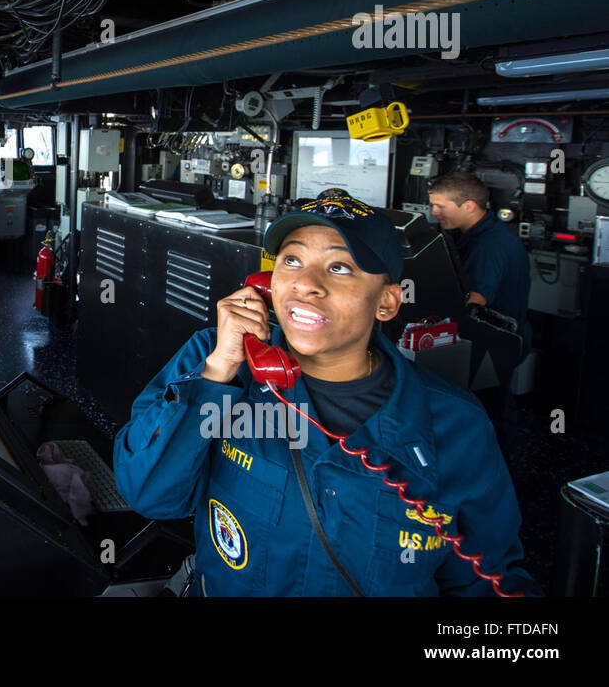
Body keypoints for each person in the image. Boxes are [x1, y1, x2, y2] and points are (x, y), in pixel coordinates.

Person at [113, 193, 538, 596]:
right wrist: (218, 373)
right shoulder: (216, 362)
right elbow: (150, 495)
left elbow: (484, 578)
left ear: (387, 302)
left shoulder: (455, 423)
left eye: (340, 268)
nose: (306, 284)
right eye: (292, 260)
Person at [427, 170, 531, 449]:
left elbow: (475, 300)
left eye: (441, 206)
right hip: (495, 335)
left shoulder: (489, 246)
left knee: (490, 408)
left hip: (494, 340)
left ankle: (499, 469)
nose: (434, 212)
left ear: (468, 206)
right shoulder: (477, 233)